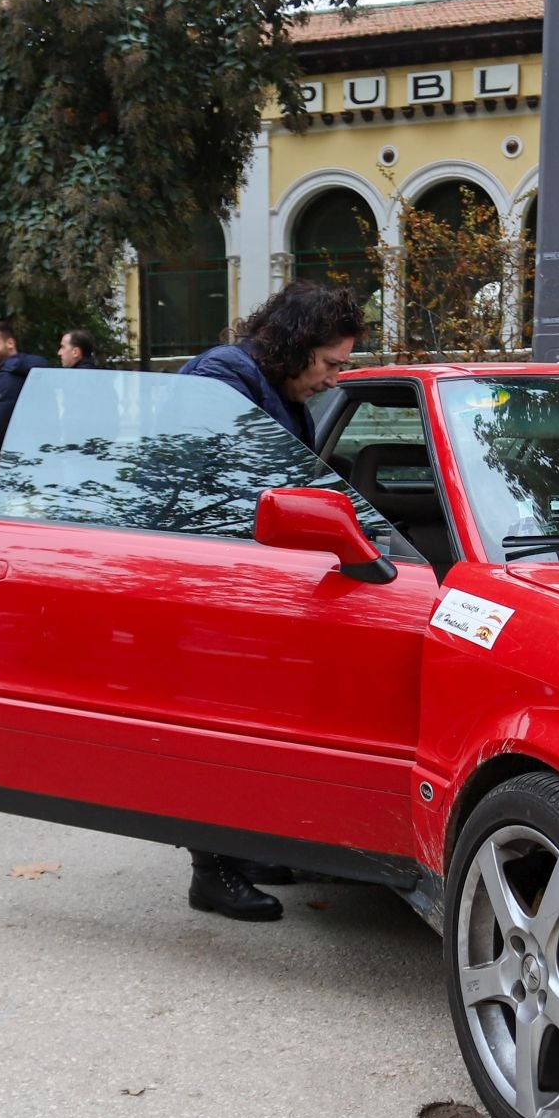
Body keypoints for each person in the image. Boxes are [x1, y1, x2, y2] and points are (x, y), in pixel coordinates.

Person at [176, 279, 367, 922]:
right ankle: (213, 871)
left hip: (248, 583)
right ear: (295, 346)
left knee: (249, 722)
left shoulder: (279, 395)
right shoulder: (223, 379)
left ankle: (243, 850)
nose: (335, 379)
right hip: (212, 585)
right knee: (215, 724)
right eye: (331, 363)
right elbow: (221, 485)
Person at [0, 320, 51, 478]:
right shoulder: (31, 372)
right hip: (34, 463)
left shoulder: (9, 378)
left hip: (10, 470)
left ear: (10, 343)